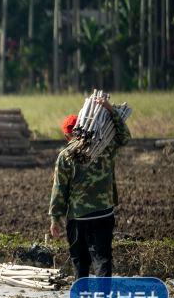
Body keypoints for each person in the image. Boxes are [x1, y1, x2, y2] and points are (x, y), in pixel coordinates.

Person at [49, 93, 131, 279]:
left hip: (78, 218)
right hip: (104, 212)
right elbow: (125, 137)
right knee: (102, 260)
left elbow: (59, 189)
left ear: (66, 135)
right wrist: (110, 110)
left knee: (80, 264)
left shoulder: (66, 156)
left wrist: (55, 219)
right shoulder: (106, 147)